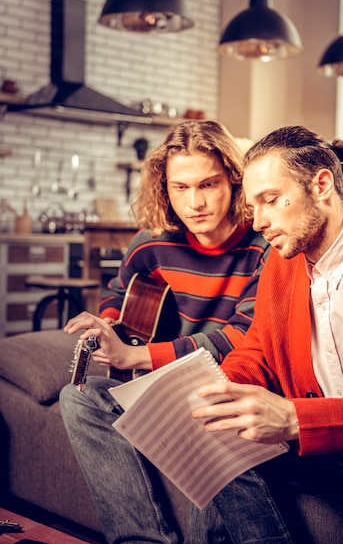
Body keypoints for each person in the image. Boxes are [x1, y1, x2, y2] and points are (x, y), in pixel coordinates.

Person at [189, 125, 343, 544]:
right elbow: (257, 350)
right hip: (325, 451)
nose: (259, 222)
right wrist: (216, 394)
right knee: (219, 442)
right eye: (252, 206)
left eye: (270, 200)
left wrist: (294, 418)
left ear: (322, 184)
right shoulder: (280, 264)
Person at [59, 119, 271, 544]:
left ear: (234, 180)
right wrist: (107, 325)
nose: (194, 203)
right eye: (180, 188)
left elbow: (242, 336)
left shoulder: (264, 246)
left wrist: (137, 356)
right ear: (165, 188)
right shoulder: (150, 244)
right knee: (79, 401)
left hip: (224, 388)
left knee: (216, 414)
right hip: (158, 388)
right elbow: (119, 293)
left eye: (208, 185)